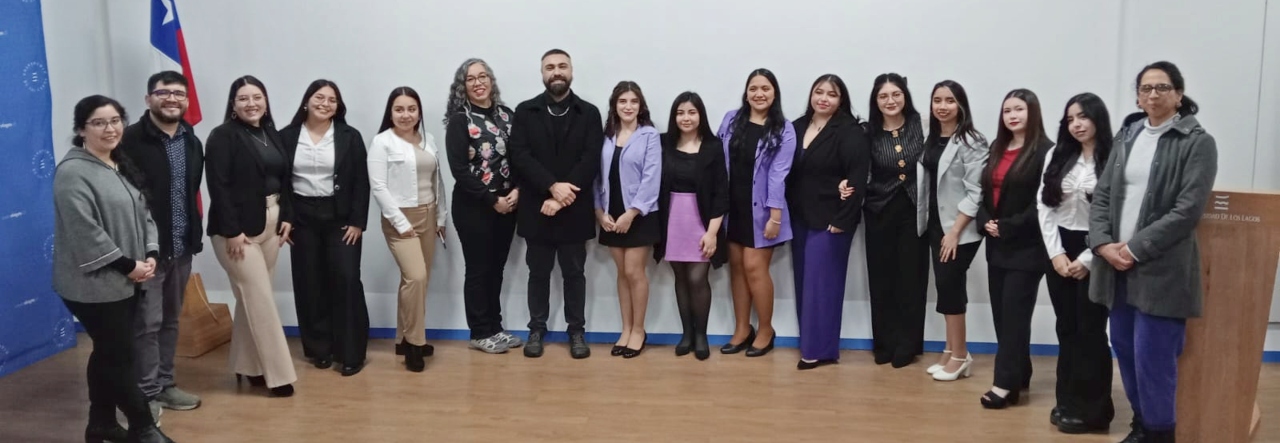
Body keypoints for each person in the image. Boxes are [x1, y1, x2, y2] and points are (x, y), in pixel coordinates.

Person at [1089, 61, 1217, 443]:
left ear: (1179, 94)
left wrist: (1134, 248)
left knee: (1154, 359)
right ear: (1138, 97)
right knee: (1125, 351)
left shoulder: (1197, 143)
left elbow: (1187, 211)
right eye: (1146, 88)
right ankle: (1142, 426)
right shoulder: (1127, 136)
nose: (1153, 94)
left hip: (1162, 270)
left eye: (1162, 87)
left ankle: (1161, 433)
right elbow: (1103, 195)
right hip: (1116, 267)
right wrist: (1102, 244)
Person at [54, 95, 175, 443]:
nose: (110, 129)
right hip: (91, 284)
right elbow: (85, 231)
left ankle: (101, 423)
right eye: (99, 122)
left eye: (115, 120)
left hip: (127, 278)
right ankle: (143, 427)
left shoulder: (118, 163)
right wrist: (127, 265)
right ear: (81, 130)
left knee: (108, 351)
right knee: (120, 356)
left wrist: (150, 253)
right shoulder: (72, 173)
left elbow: (144, 213)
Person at [507, 49, 604, 359]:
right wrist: (552, 187)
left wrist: (561, 197)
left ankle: (576, 331)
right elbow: (520, 156)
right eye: (550, 67)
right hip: (537, 208)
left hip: (574, 210)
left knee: (574, 274)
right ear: (542, 74)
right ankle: (536, 329)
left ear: (571, 71)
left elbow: (591, 159)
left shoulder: (589, 113)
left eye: (562, 66)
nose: (556, 71)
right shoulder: (526, 111)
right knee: (538, 274)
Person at [205, 75, 297, 397]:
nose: (251, 103)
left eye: (257, 97)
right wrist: (232, 231)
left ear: (265, 101)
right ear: (233, 105)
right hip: (236, 232)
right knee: (260, 299)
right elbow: (218, 186)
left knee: (252, 299)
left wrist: (287, 216)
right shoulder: (222, 136)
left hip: (271, 224)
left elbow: (285, 180)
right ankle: (280, 376)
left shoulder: (271, 133)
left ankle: (248, 365)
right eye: (243, 98)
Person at [119, 71, 204, 416]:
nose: (171, 99)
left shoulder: (191, 140)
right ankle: (145, 394)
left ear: (187, 101)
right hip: (146, 252)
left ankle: (165, 384)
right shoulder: (128, 140)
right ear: (148, 99)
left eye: (179, 94)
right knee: (146, 324)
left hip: (181, 247)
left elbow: (190, 192)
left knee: (170, 320)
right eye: (163, 92)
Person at [280, 79, 371, 376]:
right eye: (319, 97)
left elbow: (361, 181)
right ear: (307, 101)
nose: (325, 104)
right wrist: (286, 218)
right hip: (302, 218)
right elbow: (280, 182)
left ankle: (351, 353)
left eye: (332, 100)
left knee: (347, 279)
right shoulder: (287, 136)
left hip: (340, 219)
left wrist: (358, 221)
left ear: (338, 106)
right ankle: (320, 348)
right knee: (310, 282)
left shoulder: (349, 136)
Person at [1037, 92, 1116, 434]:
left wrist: (1087, 258)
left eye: (1083, 117)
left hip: (1096, 248)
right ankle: (1067, 402)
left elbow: (1115, 214)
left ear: (1098, 118)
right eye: (1070, 119)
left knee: (1091, 331)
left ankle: (1094, 412)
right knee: (1066, 327)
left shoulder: (1114, 157)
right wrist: (1055, 253)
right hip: (1059, 247)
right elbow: (1044, 206)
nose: (1076, 124)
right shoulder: (1057, 153)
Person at [976, 89, 1053, 409]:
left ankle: (1004, 384)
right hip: (997, 245)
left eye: (1019, 109)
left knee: (1014, 316)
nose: (1012, 115)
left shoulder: (1045, 151)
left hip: (1027, 247)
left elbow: (1044, 203)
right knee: (1002, 315)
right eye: (1007, 110)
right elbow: (984, 192)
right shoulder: (998, 146)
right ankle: (1020, 373)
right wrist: (985, 221)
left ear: (1032, 112)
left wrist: (1007, 226)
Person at [787, 74, 869, 370]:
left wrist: (842, 219)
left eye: (831, 94)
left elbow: (857, 178)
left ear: (841, 100)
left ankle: (818, 351)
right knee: (804, 283)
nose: (823, 98)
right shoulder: (796, 127)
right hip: (799, 217)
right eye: (818, 92)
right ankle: (811, 342)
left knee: (821, 286)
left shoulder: (850, 131)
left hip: (831, 220)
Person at [442, 58, 524, 354]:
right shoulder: (460, 120)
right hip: (474, 206)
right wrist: (492, 200)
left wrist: (517, 190)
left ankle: (495, 327)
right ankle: (479, 332)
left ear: (491, 80)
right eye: (470, 79)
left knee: (496, 268)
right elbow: (459, 170)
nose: (478, 83)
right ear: (462, 87)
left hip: (508, 203)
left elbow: (520, 156)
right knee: (478, 269)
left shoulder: (507, 115)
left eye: (483, 76)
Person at [716, 68, 796, 357]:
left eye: (765, 88)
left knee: (754, 268)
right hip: (732, 207)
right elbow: (717, 157)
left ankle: (765, 330)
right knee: (737, 268)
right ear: (746, 93)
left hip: (762, 211)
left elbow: (778, 175)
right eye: (753, 88)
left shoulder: (784, 129)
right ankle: (741, 328)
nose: (759, 94)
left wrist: (775, 216)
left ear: (774, 93)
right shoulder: (731, 120)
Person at [367, 86, 448, 373]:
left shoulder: (428, 139)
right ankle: (415, 344)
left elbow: (438, 181)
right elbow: (378, 187)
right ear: (390, 113)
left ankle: (404, 337)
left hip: (429, 214)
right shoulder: (382, 142)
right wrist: (401, 223)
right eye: (399, 109)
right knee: (416, 277)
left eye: (411, 109)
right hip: (399, 218)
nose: (406, 115)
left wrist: (441, 218)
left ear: (419, 112)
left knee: (417, 282)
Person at [918, 80, 989, 381]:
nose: (942, 106)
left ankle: (960, 356)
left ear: (961, 105)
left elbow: (976, 192)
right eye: (937, 100)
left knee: (951, 287)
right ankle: (950, 350)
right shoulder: (931, 137)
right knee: (945, 287)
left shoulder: (972, 140)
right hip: (936, 224)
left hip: (960, 228)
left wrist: (955, 232)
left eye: (949, 100)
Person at [654, 92, 728, 361]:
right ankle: (686, 333)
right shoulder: (662, 142)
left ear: (700, 116)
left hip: (702, 220)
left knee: (697, 278)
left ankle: (701, 335)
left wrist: (712, 232)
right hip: (671, 219)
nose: (686, 118)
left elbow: (721, 192)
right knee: (681, 278)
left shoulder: (713, 146)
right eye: (680, 113)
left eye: (692, 112)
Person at [862, 73, 929, 368]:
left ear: (905, 96)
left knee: (911, 278)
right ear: (876, 101)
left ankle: (908, 343)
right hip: (879, 210)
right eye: (883, 96)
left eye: (896, 94)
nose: (890, 101)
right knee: (881, 278)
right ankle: (884, 342)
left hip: (914, 209)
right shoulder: (867, 132)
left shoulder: (921, 125)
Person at [595, 81, 662, 358]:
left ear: (640, 106)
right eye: (623, 101)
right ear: (614, 105)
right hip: (610, 213)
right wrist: (599, 212)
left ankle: (638, 330)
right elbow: (596, 176)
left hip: (639, 214)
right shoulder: (606, 136)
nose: (628, 106)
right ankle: (625, 328)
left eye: (634, 101)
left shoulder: (649, 135)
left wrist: (631, 213)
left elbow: (652, 177)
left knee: (635, 272)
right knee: (622, 273)